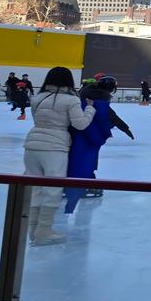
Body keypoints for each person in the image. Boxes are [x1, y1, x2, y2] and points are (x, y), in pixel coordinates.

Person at [23, 67, 96, 245]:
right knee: (53, 189)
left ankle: (33, 230)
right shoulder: (71, 100)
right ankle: (44, 231)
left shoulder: (37, 98)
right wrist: (90, 110)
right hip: (55, 147)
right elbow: (80, 125)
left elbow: (37, 120)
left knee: (35, 188)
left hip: (32, 145)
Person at [66, 74, 134, 205]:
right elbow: (110, 115)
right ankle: (85, 184)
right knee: (87, 159)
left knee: (77, 157)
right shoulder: (101, 96)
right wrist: (125, 128)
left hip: (75, 129)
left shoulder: (86, 91)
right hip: (89, 133)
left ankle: (73, 182)